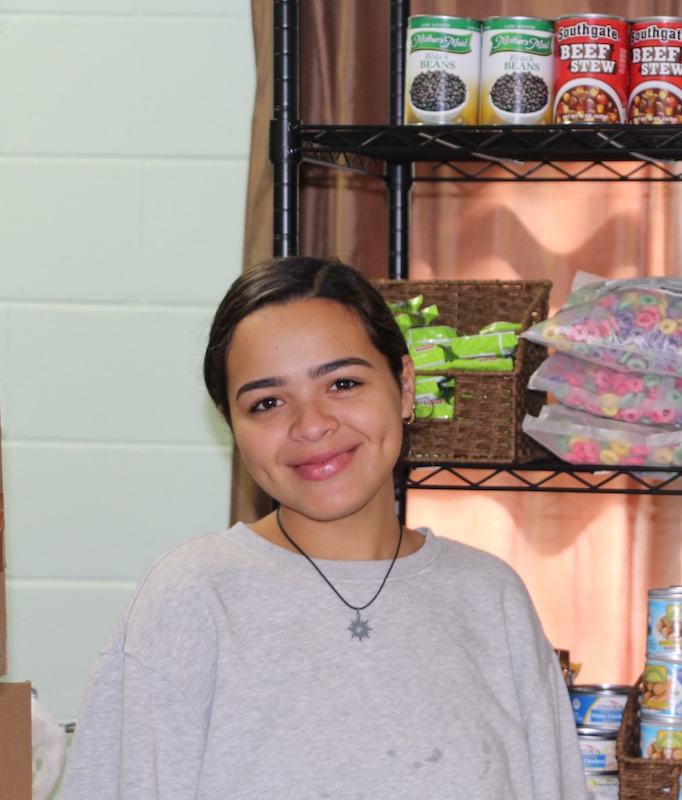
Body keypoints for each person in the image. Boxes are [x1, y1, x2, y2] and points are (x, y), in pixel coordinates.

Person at [62, 256, 588, 799]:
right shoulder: (193, 598)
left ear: (405, 386)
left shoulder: (490, 599)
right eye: (267, 402)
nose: (311, 424)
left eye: (342, 383)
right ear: (233, 427)